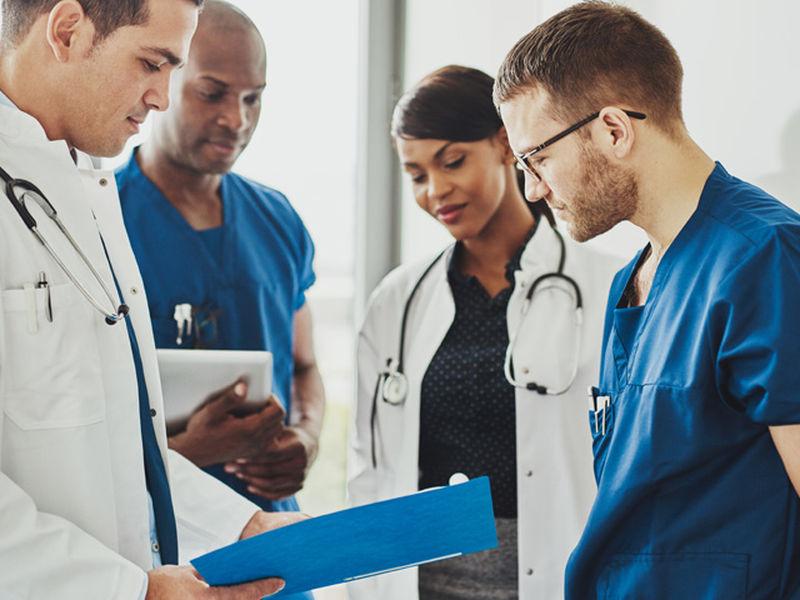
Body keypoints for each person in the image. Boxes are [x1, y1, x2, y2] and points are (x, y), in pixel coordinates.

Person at [494, 3, 800, 599]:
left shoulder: (764, 257)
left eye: (537, 159)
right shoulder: (631, 283)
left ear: (614, 129)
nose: (532, 189)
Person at [0, 0, 302, 597]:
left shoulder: (86, 178)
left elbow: (120, 438)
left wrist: (243, 525)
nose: (162, 97)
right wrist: (128, 589)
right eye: (151, 63)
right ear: (68, 31)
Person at [348, 65, 621, 600]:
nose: (436, 190)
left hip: (561, 571)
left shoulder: (607, 284)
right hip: (424, 578)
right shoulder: (397, 302)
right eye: (416, 174)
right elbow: (372, 469)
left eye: (452, 162)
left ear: (502, 143)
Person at [115, 0, 325, 521]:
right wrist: (189, 453)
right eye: (212, 94)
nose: (237, 119)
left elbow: (304, 367)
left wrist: (306, 436)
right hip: (160, 543)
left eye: (254, 98)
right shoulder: (99, 222)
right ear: (161, 82)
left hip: (275, 531)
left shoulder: (276, 218)